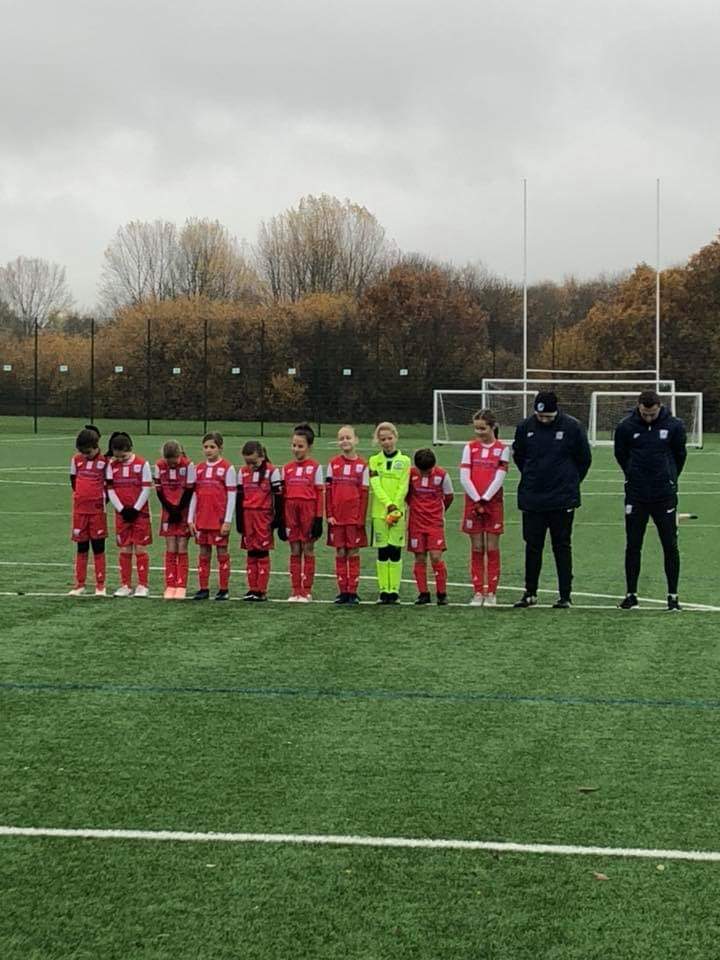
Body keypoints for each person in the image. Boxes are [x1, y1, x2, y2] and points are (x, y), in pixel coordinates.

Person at [512, 391, 592, 608]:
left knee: (562, 546)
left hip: (562, 499)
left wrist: (569, 482)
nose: (544, 420)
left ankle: (565, 595)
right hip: (533, 498)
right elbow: (519, 456)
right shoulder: (525, 427)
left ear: (556, 411)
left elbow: (584, 459)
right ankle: (530, 592)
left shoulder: (572, 427)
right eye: (540, 416)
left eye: (548, 416)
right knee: (532, 546)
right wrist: (532, 477)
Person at [613, 389, 687, 611]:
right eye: (645, 414)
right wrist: (633, 474)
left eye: (652, 414)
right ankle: (631, 594)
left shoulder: (674, 425)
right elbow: (621, 455)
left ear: (659, 407)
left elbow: (679, 456)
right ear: (639, 407)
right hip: (636, 495)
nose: (648, 417)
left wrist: (669, 478)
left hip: (664, 495)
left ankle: (673, 596)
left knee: (670, 545)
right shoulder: (626, 427)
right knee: (633, 545)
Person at [460, 409, 511, 606]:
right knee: (477, 547)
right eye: (476, 428)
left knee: (491, 547)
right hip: (473, 503)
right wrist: (476, 499)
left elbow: (500, 477)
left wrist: (486, 498)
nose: (479, 432)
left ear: (492, 427)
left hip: (492, 504)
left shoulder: (502, 449)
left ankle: (491, 593)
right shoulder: (469, 448)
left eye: (483, 428)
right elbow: (465, 477)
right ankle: (478, 591)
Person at [188, 432, 237, 601]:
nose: (208, 450)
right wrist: (190, 519)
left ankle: (223, 589)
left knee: (222, 553)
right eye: (206, 447)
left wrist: (228, 520)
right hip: (202, 519)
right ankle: (203, 588)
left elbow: (232, 496)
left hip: (219, 520)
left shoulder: (227, 468)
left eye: (212, 447)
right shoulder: (198, 468)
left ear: (220, 448)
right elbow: (194, 495)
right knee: (203, 553)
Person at [368, 422, 412, 604]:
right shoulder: (373, 460)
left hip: (398, 514)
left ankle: (394, 590)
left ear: (395, 437)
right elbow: (375, 485)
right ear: (378, 441)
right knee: (382, 551)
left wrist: (395, 507)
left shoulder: (405, 461)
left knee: (395, 550)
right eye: (383, 439)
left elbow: (404, 486)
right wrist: (388, 505)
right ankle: (383, 590)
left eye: (389, 438)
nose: (386, 442)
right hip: (379, 513)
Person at [106, 432, 153, 597]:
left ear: (130, 449)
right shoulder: (111, 466)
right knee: (125, 549)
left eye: (123, 456)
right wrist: (121, 509)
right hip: (122, 515)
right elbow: (110, 490)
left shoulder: (142, 464)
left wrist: (135, 509)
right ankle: (125, 585)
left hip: (140, 514)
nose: (120, 459)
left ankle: (142, 585)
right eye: (117, 456)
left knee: (140, 548)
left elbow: (146, 488)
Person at [326, 425, 369, 605]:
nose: (345, 441)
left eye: (348, 437)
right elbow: (328, 491)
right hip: (337, 517)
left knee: (353, 551)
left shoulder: (363, 465)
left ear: (356, 440)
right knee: (340, 551)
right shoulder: (333, 463)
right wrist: (329, 514)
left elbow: (364, 494)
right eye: (341, 438)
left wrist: (361, 518)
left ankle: (353, 591)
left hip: (353, 518)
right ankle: (342, 591)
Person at [281, 423, 324, 602]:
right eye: (294, 445)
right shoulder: (286, 468)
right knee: (294, 549)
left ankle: (306, 590)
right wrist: (282, 519)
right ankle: (295, 590)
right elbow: (282, 495)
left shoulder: (315, 467)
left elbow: (320, 494)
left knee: (307, 548)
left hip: (309, 512)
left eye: (300, 446)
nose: (296, 449)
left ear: (309, 447)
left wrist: (318, 519)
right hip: (291, 512)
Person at [406, 448, 454, 605]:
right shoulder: (410, 474)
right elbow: (406, 494)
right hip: (416, 523)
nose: (425, 473)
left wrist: (439, 511)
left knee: (436, 557)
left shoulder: (442, 475)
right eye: (423, 471)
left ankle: (442, 593)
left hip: (434, 523)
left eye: (428, 471)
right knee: (419, 557)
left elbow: (449, 496)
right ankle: (423, 593)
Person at [237, 440, 282, 602]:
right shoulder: (242, 472)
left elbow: (278, 497)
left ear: (262, 457)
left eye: (254, 462)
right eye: (247, 462)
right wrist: (239, 521)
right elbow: (239, 498)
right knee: (251, 552)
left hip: (263, 517)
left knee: (262, 552)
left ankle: (261, 590)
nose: (250, 466)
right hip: (247, 516)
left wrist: (277, 519)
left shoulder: (272, 471)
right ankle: (252, 588)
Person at [68, 428, 109, 597]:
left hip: (97, 512)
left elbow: (109, 485)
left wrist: (100, 501)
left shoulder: (105, 462)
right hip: (80, 511)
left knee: (98, 547)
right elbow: (73, 480)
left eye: (88, 452)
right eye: (82, 452)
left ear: (96, 446)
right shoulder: (76, 460)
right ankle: (80, 584)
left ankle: (100, 585)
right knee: (81, 547)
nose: (85, 455)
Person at [155, 440, 195, 600]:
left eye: (175, 461)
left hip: (183, 511)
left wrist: (178, 510)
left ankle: (181, 585)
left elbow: (190, 490)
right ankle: (170, 584)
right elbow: (159, 491)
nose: (172, 465)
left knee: (182, 547)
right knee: (171, 547)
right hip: (168, 512)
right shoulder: (159, 466)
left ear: (180, 455)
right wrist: (170, 509)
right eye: (169, 462)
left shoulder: (188, 465)